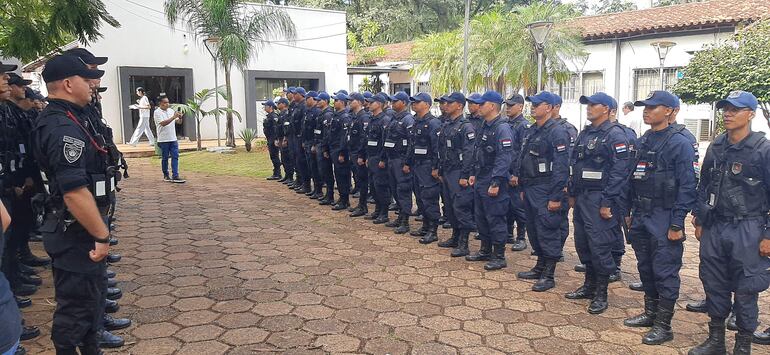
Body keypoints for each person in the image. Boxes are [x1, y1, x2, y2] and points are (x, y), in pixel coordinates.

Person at [32, 54, 113, 355]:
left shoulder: (71, 117)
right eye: (85, 79)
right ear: (67, 83)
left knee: (91, 303)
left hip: (78, 230)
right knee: (75, 310)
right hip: (73, 231)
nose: (92, 84)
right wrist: (101, 236)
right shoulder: (61, 127)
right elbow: (74, 192)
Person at [689, 91, 770, 355]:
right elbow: (704, 185)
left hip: (748, 227)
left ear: (751, 114)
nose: (728, 113)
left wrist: (768, 235)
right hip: (715, 225)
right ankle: (716, 341)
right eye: (725, 109)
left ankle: (743, 345)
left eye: (735, 109)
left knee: (747, 288)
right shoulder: (716, 146)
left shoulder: (763, 149)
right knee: (714, 283)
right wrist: (700, 219)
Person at [624, 90, 696, 345]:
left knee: (665, 270)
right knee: (646, 266)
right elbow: (634, 179)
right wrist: (630, 213)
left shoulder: (680, 143)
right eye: (645, 107)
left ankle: (664, 326)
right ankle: (650, 314)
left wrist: (677, 222)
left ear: (669, 111)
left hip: (665, 216)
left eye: (653, 107)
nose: (646, 111)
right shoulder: (644, 141)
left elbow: (688, 186)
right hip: (642, 214)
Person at [565, 92, 630, 315]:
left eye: (594, 105)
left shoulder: (615, 135)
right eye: (588, 105)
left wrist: (608, 201)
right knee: (584, 243)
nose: (589, 108)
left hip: (601, 198)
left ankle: (601, 293)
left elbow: (620, 171)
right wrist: (572, 192)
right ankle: (588, 285)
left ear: (607, 109)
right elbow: (575, 164)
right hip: (583, 197)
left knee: (600, 244)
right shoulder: (585, 133)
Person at [517, 91, 570, 290]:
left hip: (546, 187)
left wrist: (556, 196)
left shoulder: (557, 131)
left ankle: (549, 274)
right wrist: (522, 186)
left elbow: (561, 166)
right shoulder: (532, 130)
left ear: (548, 107)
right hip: (530, 186)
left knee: (548, 229)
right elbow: (523, 159)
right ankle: (539, 266)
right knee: (534, 228)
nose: (533, 107)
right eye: (532, 104)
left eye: (537, 104)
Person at [465, 91, 513, 270]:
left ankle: (499, 255)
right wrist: (473, 173)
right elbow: (477, 152)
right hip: (481, 177)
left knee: (495, 217)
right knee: (481, 216)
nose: (478, 106)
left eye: (482, 103)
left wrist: (496, 182)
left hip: (493, 179)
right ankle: (485, 250)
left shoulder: (502, 128)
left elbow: (504, 157)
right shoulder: (485, 125)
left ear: (492, 106)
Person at [436, 92, 476, 256]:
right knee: (450, 206)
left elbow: (469, 153)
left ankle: (464, 243)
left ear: (459, 105)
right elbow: (442, 150)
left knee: (461, 207)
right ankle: (455, 236)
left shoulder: (465, 126)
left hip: (459, 172)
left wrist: (465, 175)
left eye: (450, 103)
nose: (446, 106)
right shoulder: (447, 125)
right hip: (447, 170)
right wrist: (440, 170)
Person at [405, 93, 442, 244]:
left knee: (429, 197)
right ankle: (425, 226)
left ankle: (433, 230)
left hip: (427, 166)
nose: (414, 104)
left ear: (427, 104)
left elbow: (437, 148)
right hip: (417, 165)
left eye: (417, 102)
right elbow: (412, 145)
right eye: (413, 102)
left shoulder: (433, 123)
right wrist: (408, 162)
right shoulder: (416, 121)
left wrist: (435, 167)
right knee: (420, 196)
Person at [382, 91, 415, 234]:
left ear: (403, 102)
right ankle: (400, 216)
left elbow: (411, 143)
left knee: (403, 190)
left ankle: (405, 221)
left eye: (395, 101)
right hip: (392, 158)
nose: (392, 103)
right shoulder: (393, 118)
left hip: (401, 160)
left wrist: (407, 162)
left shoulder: (408, 119)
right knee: (395, 189)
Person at [362, 93, 392, 224]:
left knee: (381, 186)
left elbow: (386, 142)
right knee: (373, 186)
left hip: (379, 158)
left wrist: (382, 159)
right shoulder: (372, 119)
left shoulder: (384, 120)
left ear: (379, 104)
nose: (369, 104)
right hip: (372, 157)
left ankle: (384, 213)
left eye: (372, 102)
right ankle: (377, 210)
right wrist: (368, 157)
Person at [505, 94, 529, 252]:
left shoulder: (524, 126)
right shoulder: (505, 124)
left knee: (518, 207)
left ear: (520, 107)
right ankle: (508, 234)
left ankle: (521, 237)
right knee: (506, 206)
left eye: (511, 105)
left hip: (515, 172)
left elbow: (523, 152)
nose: (508, 108)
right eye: (507, 105)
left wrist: (517, 174)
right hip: (505, 171)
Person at [347, 93, 371, 217]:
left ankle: (363, 206)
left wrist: (362, 155)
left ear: (360, 102)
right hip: (353, 151)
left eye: (352, 100)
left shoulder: (364, 117)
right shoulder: (355, 117)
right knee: (359, 178)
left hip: (359, 152)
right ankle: (361, 205)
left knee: (362, 180)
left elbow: (364, 139)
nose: (349, 102)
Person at [153, 96, 185, 183]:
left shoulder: (171, 111)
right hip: (163, 139)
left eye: (168, 102)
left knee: (175, 156)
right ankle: (166, 175)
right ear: (160, 103)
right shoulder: (157, 112)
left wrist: (180, 117)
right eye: (165, 102)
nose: (167, 104)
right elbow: (163, 123)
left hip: (173, 138)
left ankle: (175, 175)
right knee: (165, 158)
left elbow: (178, 122)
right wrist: (173, 117)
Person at [329, 92, 352, 211]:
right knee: (338, 174)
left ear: (342, 102)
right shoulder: (336, 115)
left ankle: (345, 199)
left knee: (343, 175)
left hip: (340, 150)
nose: (334, 102)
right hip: (334, 148)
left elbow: (344, 137)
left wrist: (342, 153)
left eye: (336, 100)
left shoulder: (345, 117)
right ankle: (342, 198)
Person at [316, 92, 336, 206]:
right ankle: (328, 194)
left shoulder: (328, 114)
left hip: (325, 146)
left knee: (327, 171)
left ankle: (330, 195)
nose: (318, 102)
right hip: (320, 144)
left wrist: (324, 148)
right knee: (323, 171)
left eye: (320, 100)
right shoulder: (322, 113)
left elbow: (327, 134)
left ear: (325, 101)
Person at [290, 87, 310, 194]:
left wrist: (301, 137)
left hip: (300, 137)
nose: (293, 95)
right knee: (298, 161)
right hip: (296, 136)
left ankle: (306, 184)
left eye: (295, 93)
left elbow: (303, 124)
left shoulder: (304, 107)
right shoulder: (296, 106)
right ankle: (301, 182)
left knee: (302, 161)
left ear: (301, 94)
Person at [302, 92, 322, 197]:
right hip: (308, 141)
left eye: (307, 98)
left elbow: (317, 130)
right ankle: (315, 189)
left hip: (313, 142)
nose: (305, 100)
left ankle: (319, 190)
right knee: (311, 167)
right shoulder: (308, 111)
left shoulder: (317, 112)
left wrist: (314, 143)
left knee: (315, 166)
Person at [276, 97, 294, 185]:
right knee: (284, 159)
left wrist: (285, 138)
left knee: (287, 159)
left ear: (283, 104)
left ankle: (290, 177)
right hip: (281, 138)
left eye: (279, 103)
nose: (277, 105)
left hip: (285, 138)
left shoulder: (286, 113)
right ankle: (287, 175)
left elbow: (286, 128)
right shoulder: (281, 114)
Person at [263, 100, 282, 180]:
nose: (264, 108)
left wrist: (275, 139)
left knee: (274, 156)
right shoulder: (269, 116)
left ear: (270, 107)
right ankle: (276, 172)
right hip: (270, 138)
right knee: (272, 156)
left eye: (266, 106)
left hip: (273, 139)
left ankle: (277, 173)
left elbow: (275, 129)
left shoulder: (274, 116)